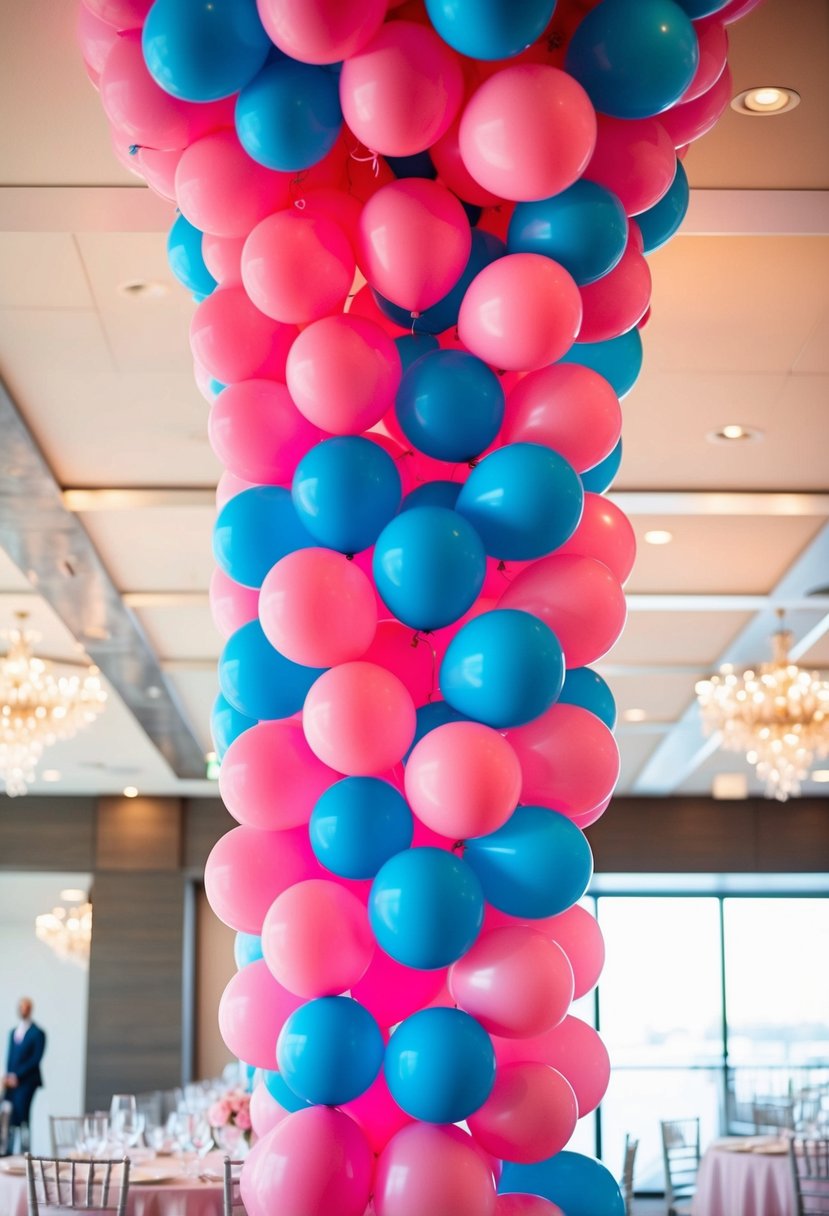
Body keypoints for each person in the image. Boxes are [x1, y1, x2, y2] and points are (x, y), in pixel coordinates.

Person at [2, 997, 46, 1154]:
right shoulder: (13, 1032)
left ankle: (24, 1154)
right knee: (8, 1116)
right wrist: (8, 1076)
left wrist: (18, 1076)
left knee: (22, 1116)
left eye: (26, 1007)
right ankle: (6, 1151)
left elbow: (35, 1059)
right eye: (21, 1007)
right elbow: (10, 1057)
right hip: (10, 1083)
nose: (23, 1010)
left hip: (27, 1082)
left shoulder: (38, 1033)